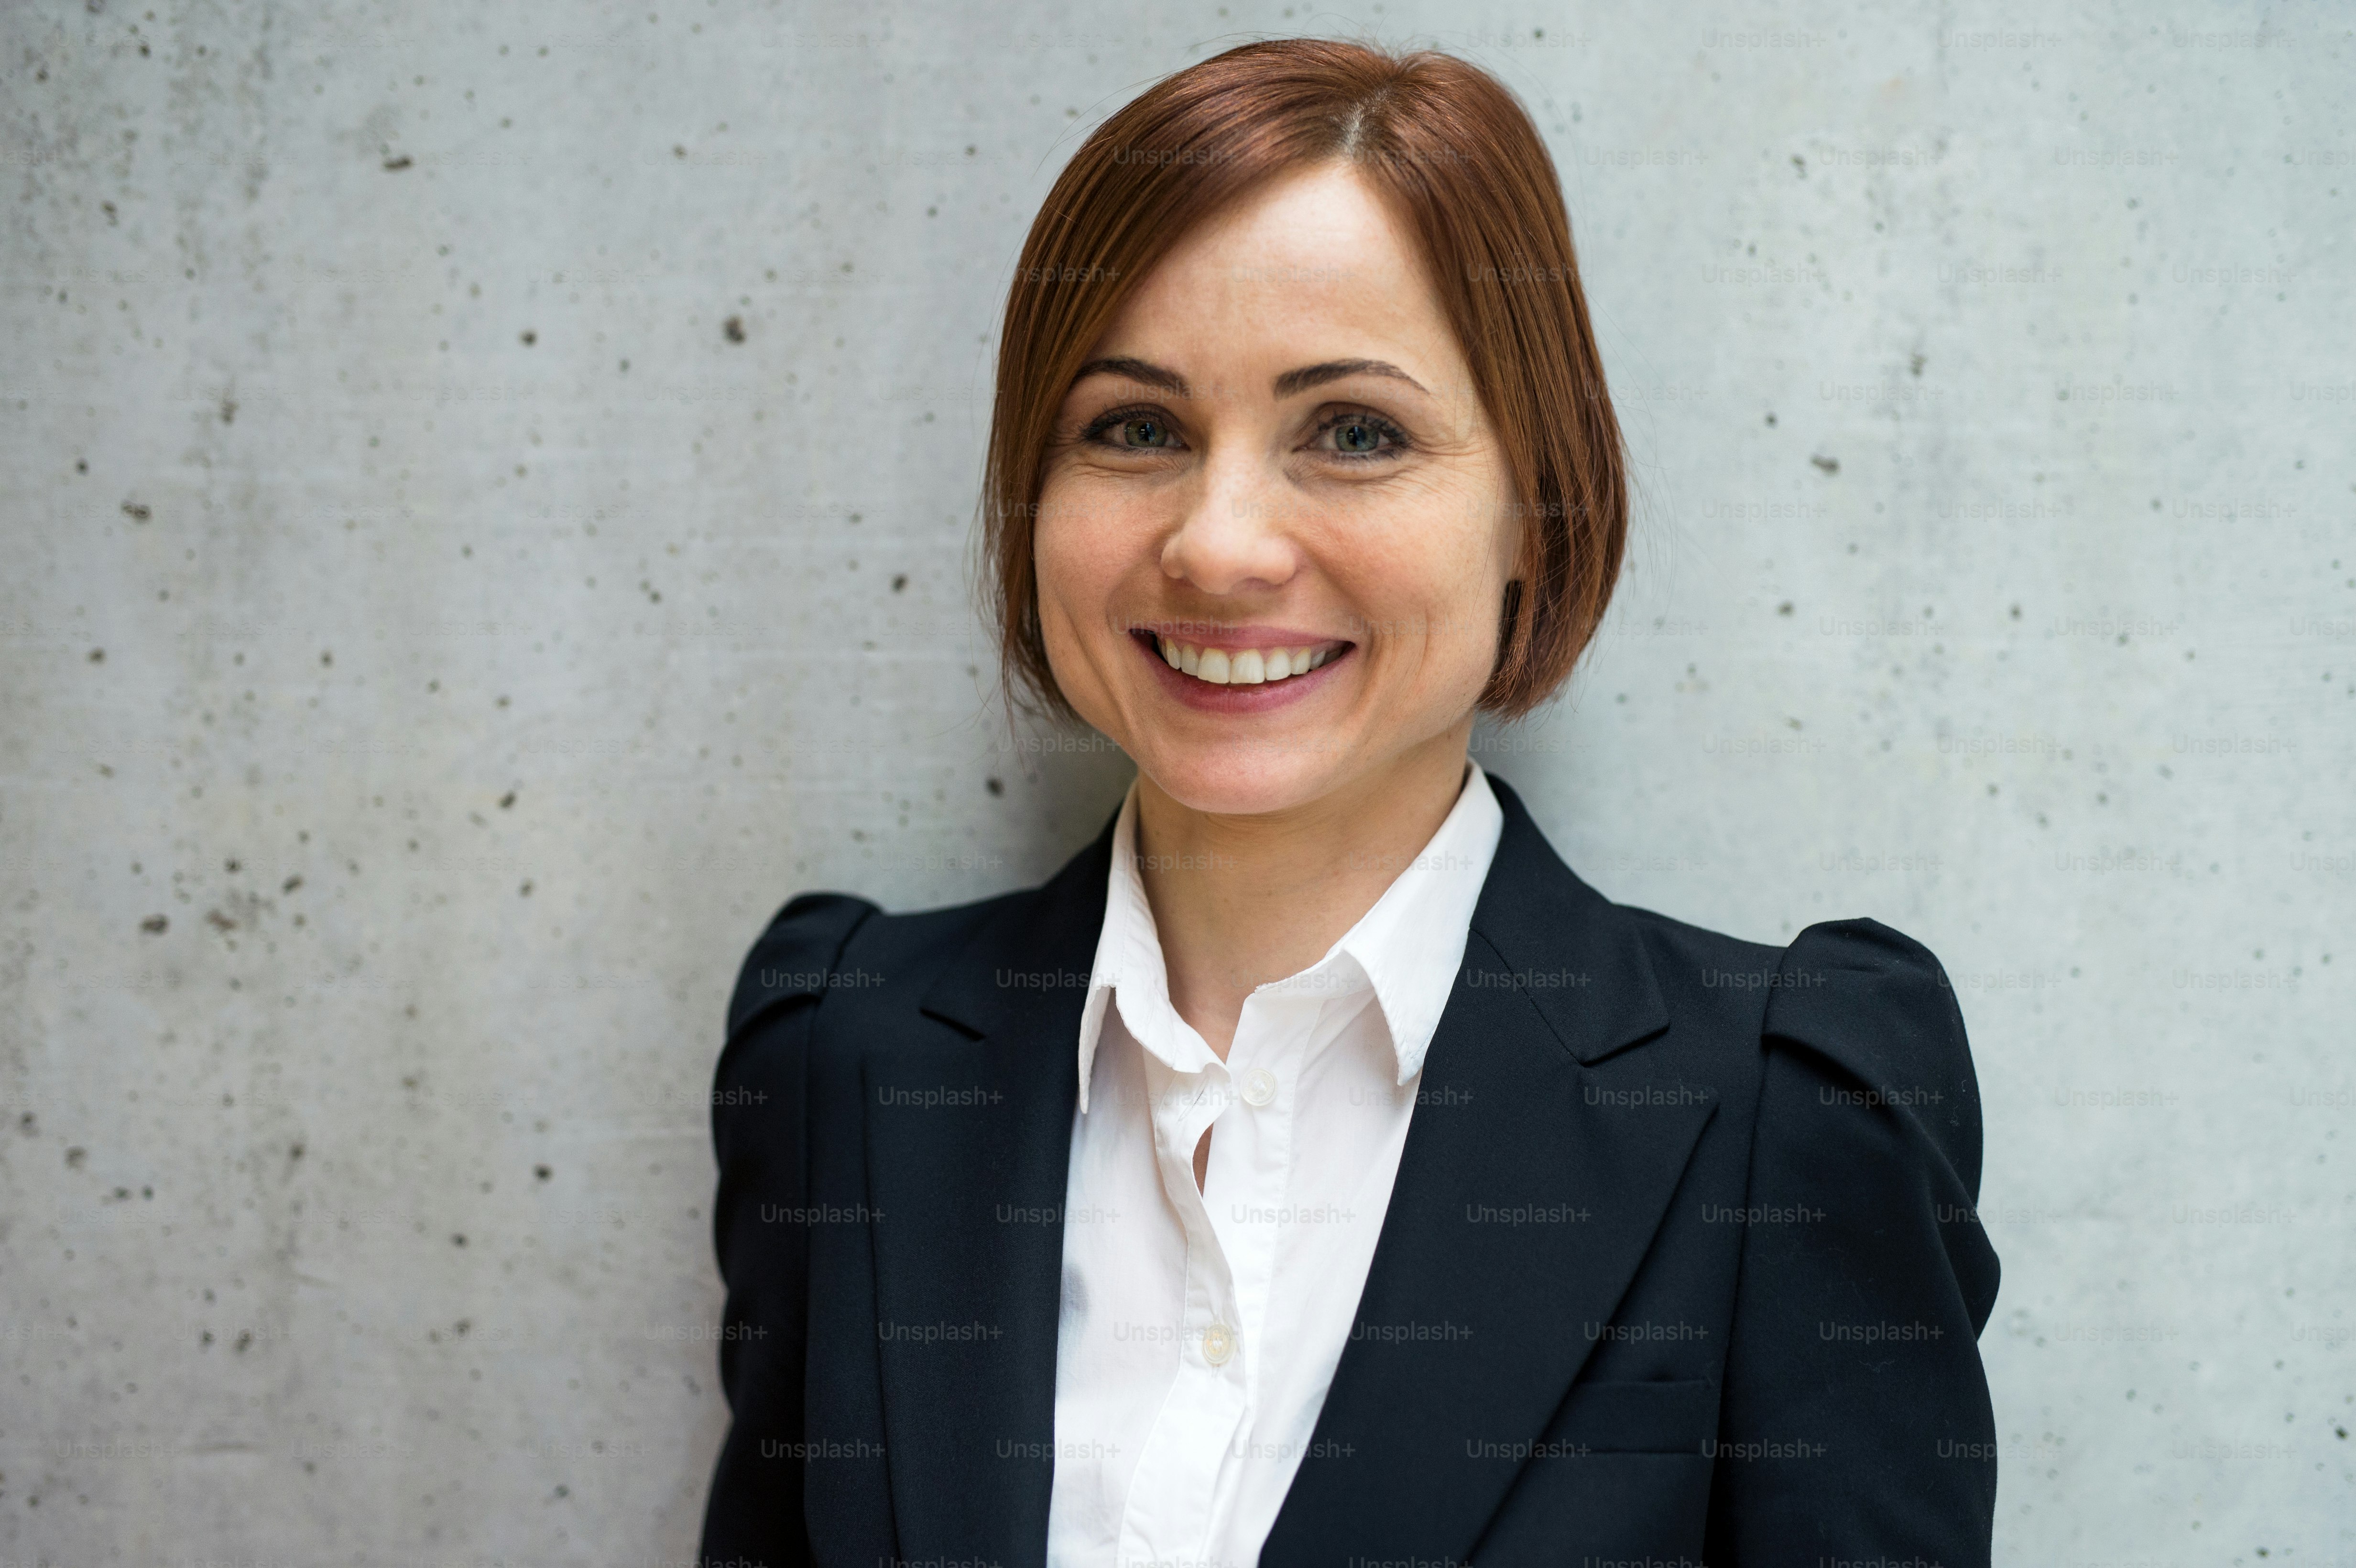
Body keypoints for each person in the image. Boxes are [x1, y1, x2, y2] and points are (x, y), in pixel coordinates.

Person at [698, 37, 1998, 1568]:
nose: (1221, 544)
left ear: (1533, 501)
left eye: (1356, 433)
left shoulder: (1789, 1110)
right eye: (1135, 427)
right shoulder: (844, 1058)